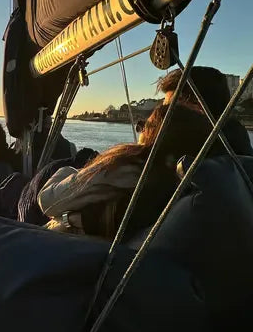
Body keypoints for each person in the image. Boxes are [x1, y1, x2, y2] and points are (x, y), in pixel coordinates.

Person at [38, 103, 224, 240]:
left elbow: (47, 200)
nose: (140, 130)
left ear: (154, 135)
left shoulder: (127, 169)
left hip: (64, 247)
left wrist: (71, 172)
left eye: (144, 125)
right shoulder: (183, 188)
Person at [157, 66, 253, 155]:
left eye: (169, 108)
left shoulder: (185, 157)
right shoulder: (237, 149)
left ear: (198, 107)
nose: (161, 114)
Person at [18, 148, 97, 226]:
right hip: (32, 217)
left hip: (27, 209)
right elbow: (51, 205)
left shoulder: (59, 166)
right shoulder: (64, 173)